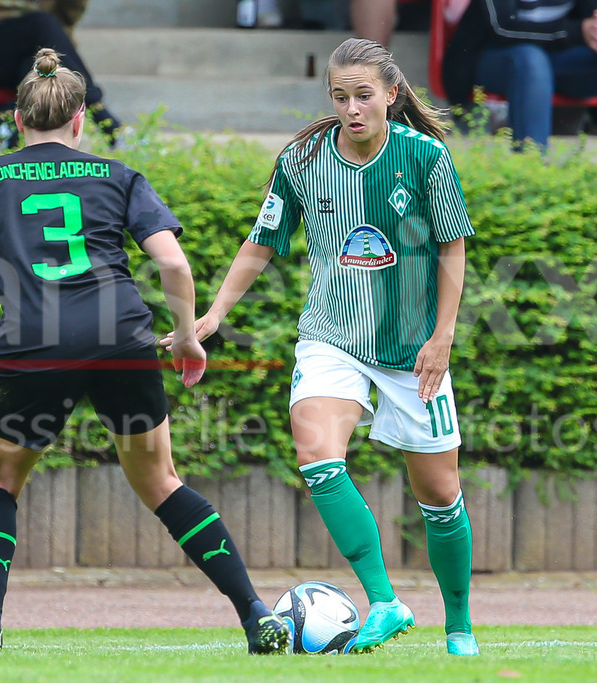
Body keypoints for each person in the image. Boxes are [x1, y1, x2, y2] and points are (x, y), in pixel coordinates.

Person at [0, 47, 290, 656]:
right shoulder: (120, 177)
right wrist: (188, 334)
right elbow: (172, 262)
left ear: (17, 121)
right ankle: (255, 614)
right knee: (160, 480)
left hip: (36, 342)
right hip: (121, 336)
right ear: (80, 119)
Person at [163, 38, 478, 657]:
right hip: (332, 337)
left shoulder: (425, 158)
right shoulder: (305, 158)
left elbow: (452, 248)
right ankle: (385, 602)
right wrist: (214, 313)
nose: (352, 108)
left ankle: (459, 625)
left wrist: (442, 338)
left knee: (440, 495)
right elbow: (262, 242)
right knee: (316, 454)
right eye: (340, 97)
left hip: (412, 348)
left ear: (391, 94)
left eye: (364, 95)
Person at [442, 0, 597, 166]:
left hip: (558, 59)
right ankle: (533, 175)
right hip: (493, 58)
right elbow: (501, 29)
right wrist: (575, 32)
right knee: (532, 61)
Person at [0, 0, 121, 145]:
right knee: (40, 26)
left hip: (16, 48)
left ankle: (22, 156)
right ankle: (104, 118)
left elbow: (64, 16)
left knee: (37, 63)